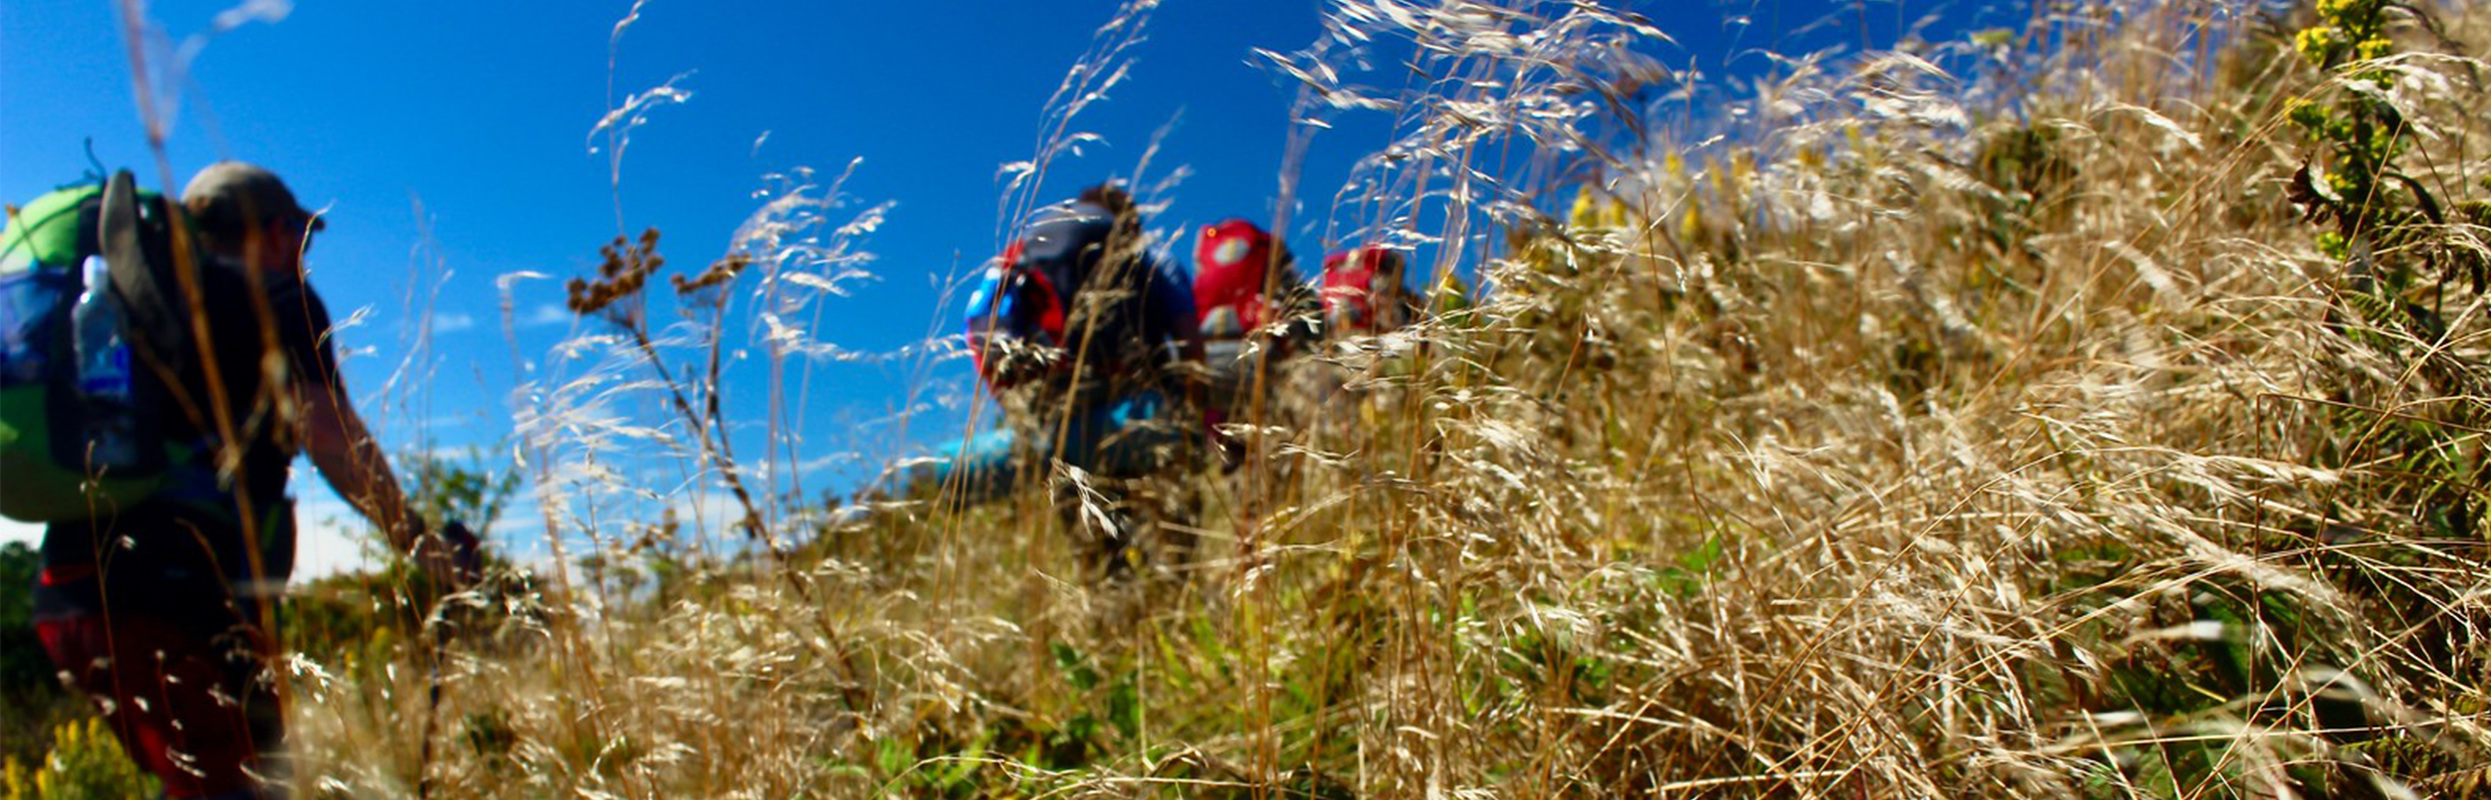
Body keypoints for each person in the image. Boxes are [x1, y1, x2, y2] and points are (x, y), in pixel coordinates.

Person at [29, 162, 473, 800]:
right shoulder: (278, 299)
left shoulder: (130, 302)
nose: (304, 250)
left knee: (203, 782)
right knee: (245, 786)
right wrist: (419, 543)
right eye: (300, 231)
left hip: (70, 597)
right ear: (272, 229)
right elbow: (327, 434)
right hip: (179, 599)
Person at [961, 184, 1205, 577]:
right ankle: (1181, 603)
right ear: (1129, 221)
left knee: (1098, 554)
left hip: (1056, 419)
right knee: (1175, 541)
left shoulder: (1023, 254)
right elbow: (1187, 332)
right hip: (1139, 405)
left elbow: (980, 328)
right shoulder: (1140, 251)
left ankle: (1112, 621)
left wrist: (1021, 409)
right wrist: (1193, 406)